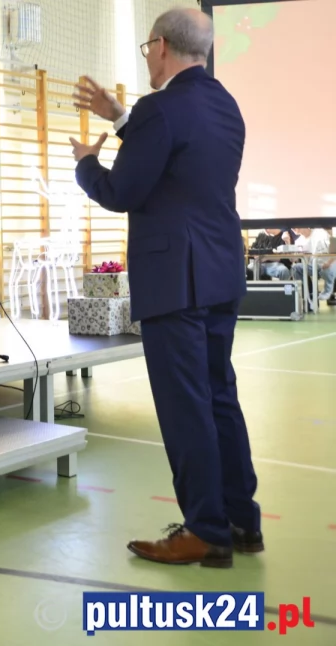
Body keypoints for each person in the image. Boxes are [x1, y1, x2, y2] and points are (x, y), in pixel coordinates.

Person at [73, 7, 257, 568]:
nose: (147, 57)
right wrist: (123, 116)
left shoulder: (160, 110)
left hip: (175, 279)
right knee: (218, 396)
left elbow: (125, 189)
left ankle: (204, 531)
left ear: (161, 47)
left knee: (185, 407)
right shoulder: (224, 104)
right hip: (220, 271)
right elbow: (177, 156)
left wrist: (86, 166)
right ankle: (240, 521)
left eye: (147, 48)